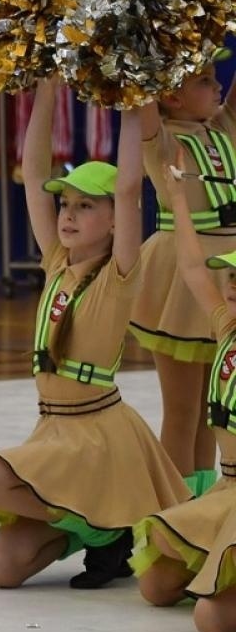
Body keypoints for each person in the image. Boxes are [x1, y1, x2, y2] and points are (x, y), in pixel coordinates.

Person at [0, 77, 187, 589]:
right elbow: (33, 174)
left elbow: (132, 188)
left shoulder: (120, 274)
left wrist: (134, 98)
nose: (67, 214)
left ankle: (109, 533)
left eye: (86, 206)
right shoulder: (56, 263)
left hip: (99, 437)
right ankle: (97, 532)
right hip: (55, 428)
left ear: (114, 220)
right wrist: (46, 88)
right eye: (65, 205)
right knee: (0, 570)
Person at [133, 146, 236, 632]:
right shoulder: (225, 327)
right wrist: (175, 197)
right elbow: (195, 269)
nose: (231, 286)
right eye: (231, 277)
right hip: (228, 490)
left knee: (212, 622)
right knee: (155, 586)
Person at [129, 67, 236, 495]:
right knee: (181, 408)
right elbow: (142, 100)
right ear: (171, 96)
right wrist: (143, 52)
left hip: (228, 266)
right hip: (181, 271)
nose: (218, 87)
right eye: (205, 82)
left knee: (214, 406)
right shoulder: (163, 140)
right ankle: (173, 515)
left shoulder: (224, 126)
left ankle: (205, 503)